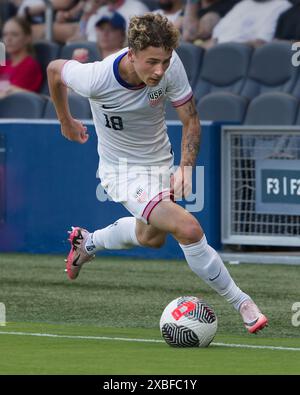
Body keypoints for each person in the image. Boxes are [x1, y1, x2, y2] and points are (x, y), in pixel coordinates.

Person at [47, 13, 268, 334]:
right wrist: (65, 120)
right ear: (131, 54)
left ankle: (87, 243)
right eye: (151, 62)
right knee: (188, 229)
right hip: (121, 172)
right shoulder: (95, 78)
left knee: (150, 237)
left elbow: (191, 120)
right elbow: (55, 70)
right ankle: (242, 303)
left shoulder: (170, 65)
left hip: (160, 163)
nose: (159, 70)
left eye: (164, 61)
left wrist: (186, 168)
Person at [0, 16, 42, 97]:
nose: (8, 39)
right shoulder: (4, 64)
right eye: (5, 34)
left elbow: (10, 95)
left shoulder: (29, 65)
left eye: (14, 34)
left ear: (27, 38)